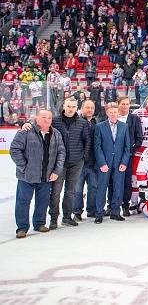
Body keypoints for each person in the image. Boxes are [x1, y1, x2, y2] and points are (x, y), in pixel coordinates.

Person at [24, 97, 91, 229]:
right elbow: (40, 123)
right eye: (68, 106)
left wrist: (83, 157)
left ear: (76, 107)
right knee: (55, 192)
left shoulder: (82, 123)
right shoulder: (54, 120)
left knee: (70, 191)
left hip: (76, 162)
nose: (71, 109)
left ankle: (67, 217)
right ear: (64, 106)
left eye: (73, 106)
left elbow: (87, 141)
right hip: (58, 163)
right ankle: (54, 218)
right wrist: (26, 123)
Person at [10, 109, 65, 238]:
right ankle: (22, 227)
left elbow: (61, 153)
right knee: (23, 202)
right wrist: (24, 167)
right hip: (27, 176)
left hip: (46, 176)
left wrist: (56, 171)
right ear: (37, 118)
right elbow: (14, 150)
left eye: (49, 118)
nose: (47, 120)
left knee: (43, 201)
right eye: (44, 117)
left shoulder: (56, 134)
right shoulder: (26, 131)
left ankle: (39, 223)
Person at [93, 103, 131, 224]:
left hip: (119, 162)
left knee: (118, 188)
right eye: (111, 112)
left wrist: (124, 162)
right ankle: (99, 213)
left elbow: (127, 147)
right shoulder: (99, 126)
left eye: (115, 112)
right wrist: (102, 162)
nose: (113, 114)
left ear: (118, 113)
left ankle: (115, 212)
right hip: (105, 162)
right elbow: (97, 146)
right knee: (101, 188)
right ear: (107, 113)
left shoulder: (124, 126)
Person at [118, 97, 143, 216]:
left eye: (127, 104)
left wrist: (129, 151)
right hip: (113, 155)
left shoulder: (134, 119)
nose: (125, 106)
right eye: (122, 104)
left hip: (128, 156)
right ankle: (111, 204)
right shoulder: (113, 116)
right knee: (113, 181)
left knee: (127, 181)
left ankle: (125, 205)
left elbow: (139, 138)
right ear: (119, 105)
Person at [73, 100, 97, 221]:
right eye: (87, 107)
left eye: (92, 107)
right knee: (77, 189)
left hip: (92, 162)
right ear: (82, 109)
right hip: (79, 163)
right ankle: (77, 212)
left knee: (93, 187)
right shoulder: (76, 122)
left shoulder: (95, 122)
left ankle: (91, 210)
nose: (89, 110)